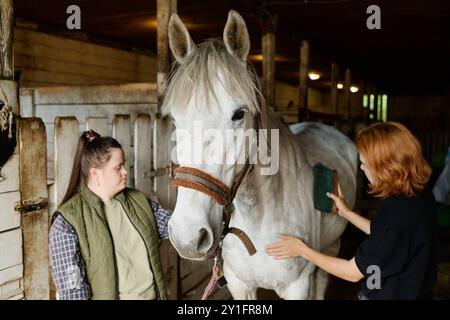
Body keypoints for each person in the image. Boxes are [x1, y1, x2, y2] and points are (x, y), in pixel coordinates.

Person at [266, 121, 438, 300]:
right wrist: (347, 213)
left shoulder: (395, 215)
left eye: (365, 164)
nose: (362, 169)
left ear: (386, 166)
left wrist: (302, 250)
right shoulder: (420, 197)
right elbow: (389, 237)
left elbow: (352, 272)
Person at [49, 130, 171, 300]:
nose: (125, 172)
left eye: (124, 165)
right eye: (118, 167)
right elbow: (74, 294)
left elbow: (176, 228)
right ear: (95, 174)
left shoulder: (139, 201)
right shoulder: (67, 223)